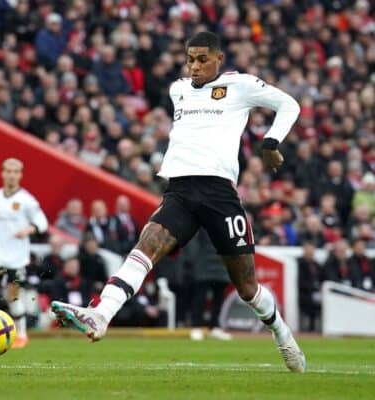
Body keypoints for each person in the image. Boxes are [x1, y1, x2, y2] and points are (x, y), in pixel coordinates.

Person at [51, 32, 306, 373]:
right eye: (190, 59)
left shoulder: (240, 85)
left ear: (218, 59)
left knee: (246, 287)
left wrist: (271, 141)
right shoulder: (178, 89)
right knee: (143, 250)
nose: (194, 66)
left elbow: (290, 104)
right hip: (180, 191)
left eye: (202, 59)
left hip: (220, 195)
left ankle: (282, 335)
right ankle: (101, 314)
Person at [0, 158, 48, 348]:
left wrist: (29, 230)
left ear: (20, 175)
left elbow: (42, 222)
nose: (11, 175)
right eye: (8, 171)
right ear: (2, 173)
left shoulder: (27, 200)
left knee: (12, 297)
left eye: (15, 171)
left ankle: (22, 334)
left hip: (17, 259)